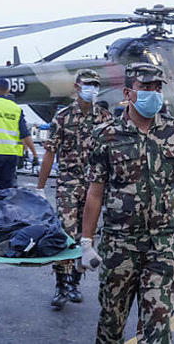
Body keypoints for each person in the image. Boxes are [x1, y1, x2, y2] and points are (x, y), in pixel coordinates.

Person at [79, 62, 174, 344]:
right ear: (128, 93)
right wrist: (87, 242)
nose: (154, 92)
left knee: (158, 323)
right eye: (146, 87)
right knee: (111, 323)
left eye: (158, 87)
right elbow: (95, 192)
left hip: (162, 244)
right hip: (119, 244)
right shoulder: (106, 135)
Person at [36, 69, 112, 310]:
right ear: (77, 87)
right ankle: (61, 284)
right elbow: (50, 152)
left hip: (95, 186)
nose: (92, 88)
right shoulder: (63, 117)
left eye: (95, 84)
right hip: (68, 184)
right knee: (66, 233)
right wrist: (40, 188)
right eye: (88, 84)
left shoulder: (105, 118)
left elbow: (113, 154)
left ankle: (75, 282)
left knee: (86, 235)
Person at [0, 78, 39, 189]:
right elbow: (25, 134)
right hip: (10, 155)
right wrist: (35, 155)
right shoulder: (16, 109)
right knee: (6, 189)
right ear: (8, 91)